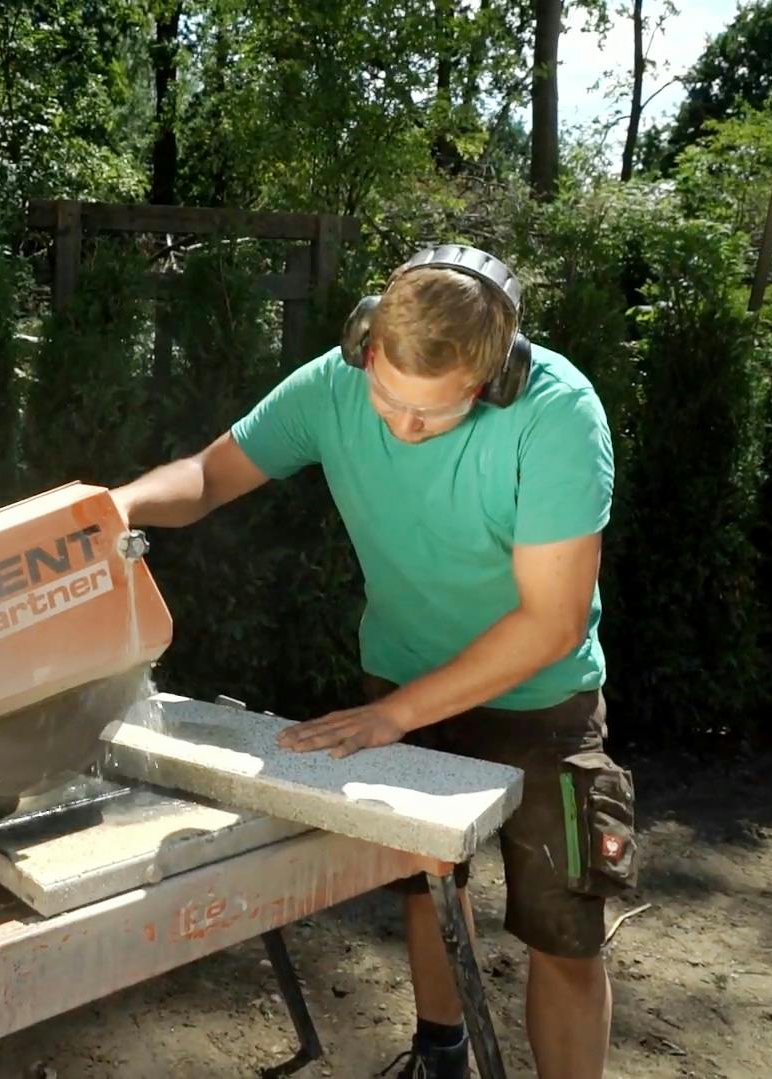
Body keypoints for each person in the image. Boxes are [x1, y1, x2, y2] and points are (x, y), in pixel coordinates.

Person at [109, 245, 638, 1079]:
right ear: (365, 345)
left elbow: (550, 622)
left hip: (542, 702)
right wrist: (115, 507)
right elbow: (210, 475)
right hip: (400, 674)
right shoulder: (332, 383)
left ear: (492, 378)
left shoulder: (558, 415)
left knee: (565, 931)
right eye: (387, 398)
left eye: (432, 414)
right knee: (431, 886)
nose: (400, 426)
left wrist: (395, 716)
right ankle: (440, 1056)